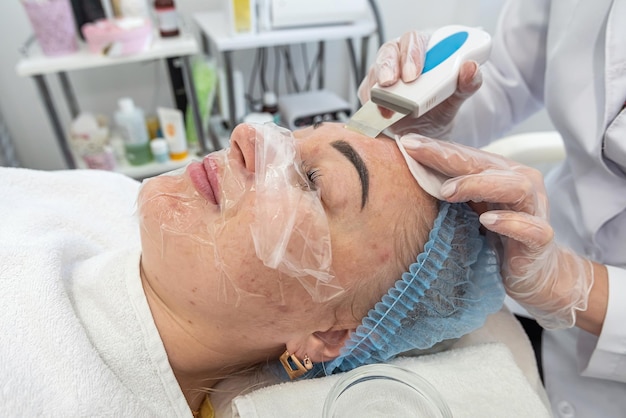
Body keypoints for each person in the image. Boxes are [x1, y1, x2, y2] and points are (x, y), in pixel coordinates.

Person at [0, 121, 507, 417]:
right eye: (293, 135)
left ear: (330, 335)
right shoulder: (106, 195)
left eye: (311, 180)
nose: (248, 136)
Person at [357, 0, 626, 416]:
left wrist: (578, 286)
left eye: (313, 182)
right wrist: (436, 111)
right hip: (529, 305)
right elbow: (505, 75)